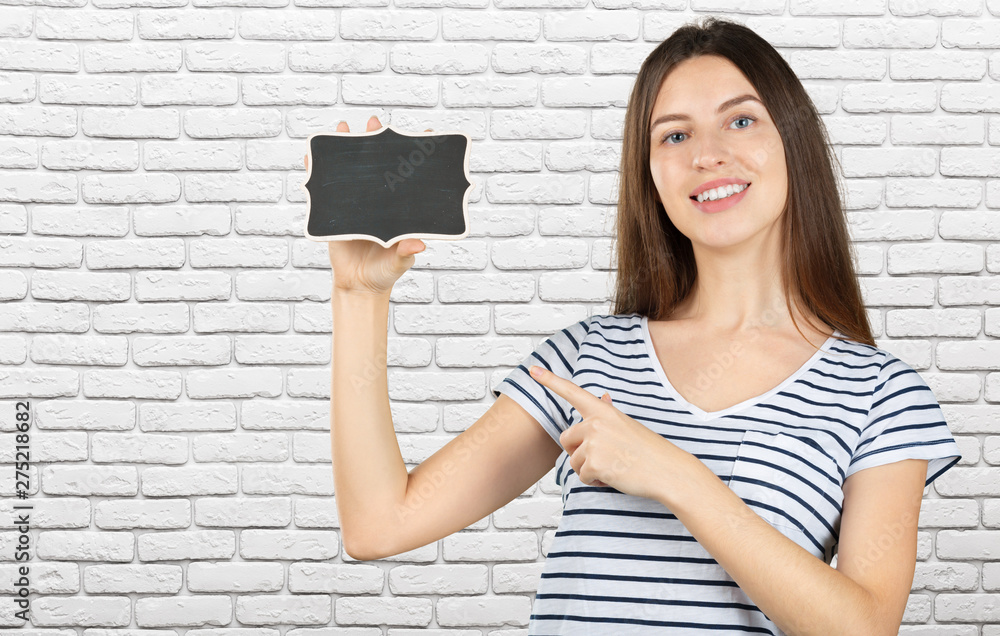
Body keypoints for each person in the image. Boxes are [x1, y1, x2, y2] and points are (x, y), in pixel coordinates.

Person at [319, 16, 962, 636]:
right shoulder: (585, 360)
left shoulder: (881, 393)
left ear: (794, 143)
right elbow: (379, 524)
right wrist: (358, 296)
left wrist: (678, 477)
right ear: (650, 174)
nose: (708, 155)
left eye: (741, 120)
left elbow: (864, 625)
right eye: (674, 135)